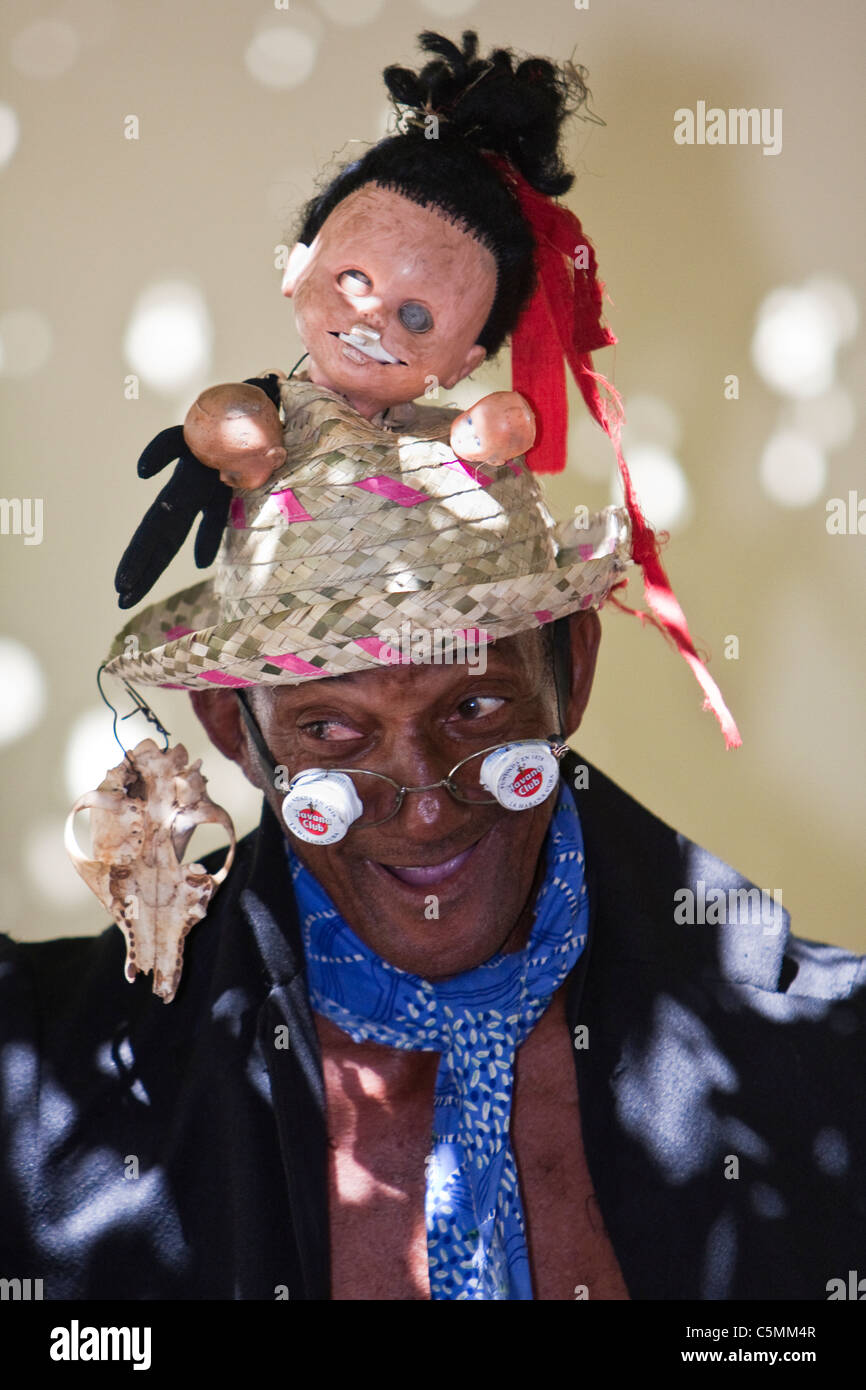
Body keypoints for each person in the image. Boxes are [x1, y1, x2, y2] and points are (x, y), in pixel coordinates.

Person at [2, 30, 864, 1303]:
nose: (418, 795)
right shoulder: (40, 1090)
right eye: (334, 731)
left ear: (568, 669)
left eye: (470, 704)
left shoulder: (825, 1062)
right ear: (235, 734)